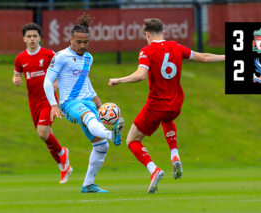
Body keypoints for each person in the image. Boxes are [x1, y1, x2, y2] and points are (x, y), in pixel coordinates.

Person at [108, 18, 225, 194]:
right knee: (167, 119)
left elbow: (140, 75)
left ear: (146, 34)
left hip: (156, 106)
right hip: (175, 105)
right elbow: (204, 57)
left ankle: (154, 170)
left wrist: (119, 80)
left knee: (132, 140)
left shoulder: (147, 51)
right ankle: (174, 155)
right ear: (163, 32)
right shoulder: (177, 47)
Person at [44, 13, 125, 193]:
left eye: (85, 42)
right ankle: (113, 135)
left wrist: (97, 102)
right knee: (90, 120)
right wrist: (54, 105)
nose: (82, 45)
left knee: (101, 146)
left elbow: (85, 80)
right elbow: (47, 81)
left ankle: (88, 184)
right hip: (69, 103)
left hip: (87, 101)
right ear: (70, 39)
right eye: (78, 41)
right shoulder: (61, 56)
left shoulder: (89, 58)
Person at [13, 23, 71, 184]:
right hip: (33, 102)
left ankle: (63, 152)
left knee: (42, 133)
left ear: (40, 37)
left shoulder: (49, 54)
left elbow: (62, 72)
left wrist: (56, 85)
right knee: (47, 137)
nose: (32, 39)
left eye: (35, 36)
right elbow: (16, 74)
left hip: (48, 100)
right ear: (24, 38)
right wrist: (16, 79)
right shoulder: (20, 58)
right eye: (29, 36)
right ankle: (63, 167)